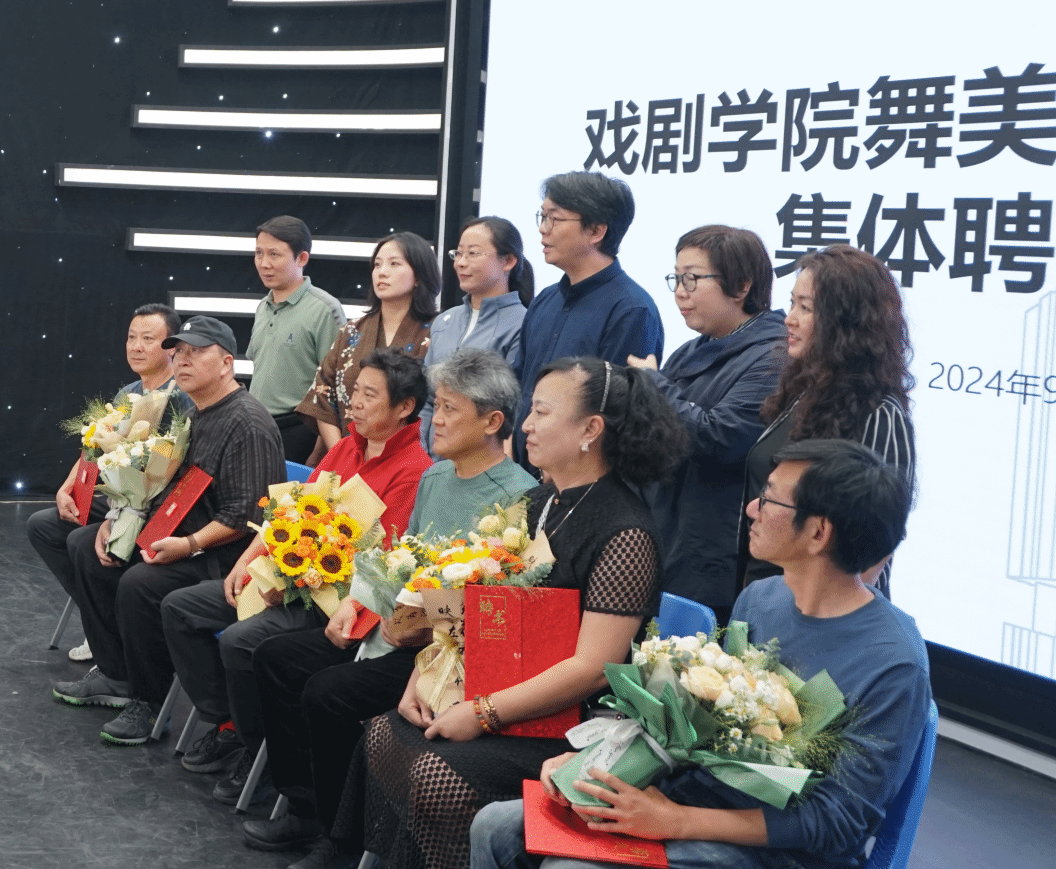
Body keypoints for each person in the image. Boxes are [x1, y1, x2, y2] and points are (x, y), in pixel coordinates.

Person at [469, 439, 929, 869]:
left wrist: (676, 821)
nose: (752, 508)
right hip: (699, 798)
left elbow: (836, 822)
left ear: (818, 532)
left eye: (769, 499)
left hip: (778, 850)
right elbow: (697, 728)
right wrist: (592, 759)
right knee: (493, 826)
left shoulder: (893, 664)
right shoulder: (761, 599)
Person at [338, 356, 685, 869]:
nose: (526, 426)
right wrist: (424, 678)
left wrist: (482, 713)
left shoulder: (625, 531)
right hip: (502, 686)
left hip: (568, 721)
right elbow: (478, 610)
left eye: (542, 412)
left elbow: (593, 668)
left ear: (590, 430)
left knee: (435, 772)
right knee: (386, 733)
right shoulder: (539, 502)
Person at [243, 349, 536, 868]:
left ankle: (342, 840)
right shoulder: (436, 478)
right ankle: (305, 806)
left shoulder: (519, 497)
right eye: (437, 406)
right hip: (402, 629)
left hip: (450, 653)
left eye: (450, 409)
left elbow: (496, 606)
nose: (435, 420)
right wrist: (357, 602)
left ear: (492, 422)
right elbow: (396, 560)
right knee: (276, 659)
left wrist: (411, 628)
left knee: (329, 693)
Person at [161, 350, 432, 783]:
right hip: (289, 575)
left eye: (369, 395)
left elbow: (381, 565)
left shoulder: (415, 472)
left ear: (405, 407)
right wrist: (250, 561)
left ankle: (259, 753)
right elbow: (288, 511)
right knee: (180, 608)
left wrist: (292, 582)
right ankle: (231, 723)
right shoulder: (345, 446)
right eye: (355, 391)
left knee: (240, 642)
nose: (355, 403)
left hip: (332, 599)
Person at [54, 317, 282, 745]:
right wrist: (116, 520)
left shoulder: (247, 423)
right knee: (86, 545)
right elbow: (158, 484)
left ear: (227, 364)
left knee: (140, 583)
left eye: (197, 352)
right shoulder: (192, 414)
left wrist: (188, 544)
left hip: (226, 555)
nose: (183, 360)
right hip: (177, 533)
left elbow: (247, 516)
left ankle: (149, 701)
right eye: (178, 353)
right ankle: (117, 674)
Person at [627, 226, 786, 620]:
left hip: (714, 556)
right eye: (677, 279)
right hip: (665, 537)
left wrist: (653, 385)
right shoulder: (691, 350)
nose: (681, 292)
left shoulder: (773, 356)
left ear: (742, 285)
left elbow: (719, 438)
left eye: (693, 279)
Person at [743, 245, 912, 595]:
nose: (789, 319)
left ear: (847, 322)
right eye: (792, 303)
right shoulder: (803, 391)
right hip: (765, 595)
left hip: (822, 611)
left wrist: (819, 611)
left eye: (805, 308)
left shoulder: (880, 413)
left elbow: (878, 540)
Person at [26, 303, 191, 663]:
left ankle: (112, 629)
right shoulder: (128, 392)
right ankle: (101, 620)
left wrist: (122, 514)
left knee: (81, 542)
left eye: (148, 339)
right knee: (43, 525)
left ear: (171, 347)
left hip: (154, 506)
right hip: (121, 496)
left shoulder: (181, 398)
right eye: (131, 338)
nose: (136, 346)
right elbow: (95, 446)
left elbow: (166, 469)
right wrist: (67, 487)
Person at [514, 173, 664, 463]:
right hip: (524, 472)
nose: (543, 229)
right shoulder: (545, 299)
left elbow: (617, 413)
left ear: (596, 231)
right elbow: (521, 385)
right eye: (542, 217)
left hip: (579, 475)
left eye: (554, 219)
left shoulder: (632, 309)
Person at [298, 232, 438, 463]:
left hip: (410, 461)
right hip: (345, 457)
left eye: (394, 264)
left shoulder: (437, 331)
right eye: (377, 264)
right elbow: (322, 396)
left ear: (419, 275)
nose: (382, 272)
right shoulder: (351, 331)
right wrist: (344, 454)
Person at [419, 216, 532, 450]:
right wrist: (421, 457)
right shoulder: (444, 321)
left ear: (508, 261)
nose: (461, 263)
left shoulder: (523, 324)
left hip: (483, 457)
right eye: (458, 253)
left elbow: (514, 407)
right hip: (433, 460)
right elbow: (428, 400)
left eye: (473, 253)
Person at [248, 215, 349, 465]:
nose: (264, 263)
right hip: (257, 428)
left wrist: (320, 449)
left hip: (300, 430)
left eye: (274, 254)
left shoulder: (324, 309)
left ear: (302, 258)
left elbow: (335, 385)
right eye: (259, 253)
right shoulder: (262, 307)